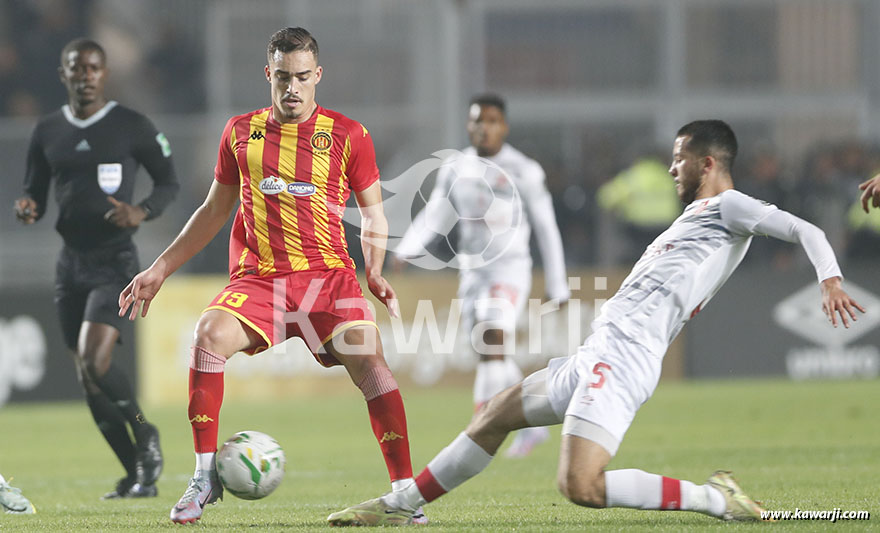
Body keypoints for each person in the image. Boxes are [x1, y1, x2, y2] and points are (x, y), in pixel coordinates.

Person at [327, 120, 865, 526]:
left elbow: (806, 230)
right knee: (493, 414)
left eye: (679, 159)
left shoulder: (730, 206)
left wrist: (830, 279)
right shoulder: (693, 219)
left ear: (707, 163)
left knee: (580, 485)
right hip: (598, 349)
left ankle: (714, 499)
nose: (671, 169)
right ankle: (403, 505)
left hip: (625, 355)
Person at [117, 27, 424, 525]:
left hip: (328, 277)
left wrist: (374, 269)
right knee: (208, 334)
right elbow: (214, 210)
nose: (292, 88)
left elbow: (373, 213)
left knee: (370, 360)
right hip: (260, 279)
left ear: (318, 75)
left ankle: (405, 494)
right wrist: (161, 268)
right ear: (268, 74)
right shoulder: (241, 132)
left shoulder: (349, 134)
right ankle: (203, 478)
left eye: (302, 77)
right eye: (283, 77)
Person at [13, 38, 177, 500]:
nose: (85, 75)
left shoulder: (131, 125)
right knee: (88, 379)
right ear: (63, 74)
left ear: (104, 74)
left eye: (93, 68)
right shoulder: (47, 130)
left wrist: (141, 211)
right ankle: (135, 475)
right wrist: (28, 207)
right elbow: (34, 193)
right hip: (70, 265)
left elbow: (168, 182)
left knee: (94, 359)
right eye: (76, 68)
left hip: (115, 261)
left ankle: (144, 431)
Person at [395, 94, 569, 457]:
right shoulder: (456, 166)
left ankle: (477, 433)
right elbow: (438, 213)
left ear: (504, 126)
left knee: (492, 340)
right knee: (490, 354)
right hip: (472, 272)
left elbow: (546, 226)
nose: (483, 128)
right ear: (468, 125)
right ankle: (533, 427)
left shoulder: (524, 170)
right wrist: (408, 247)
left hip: (509, 269)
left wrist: (558, 284)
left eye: (491, 121)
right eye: (477, 121)